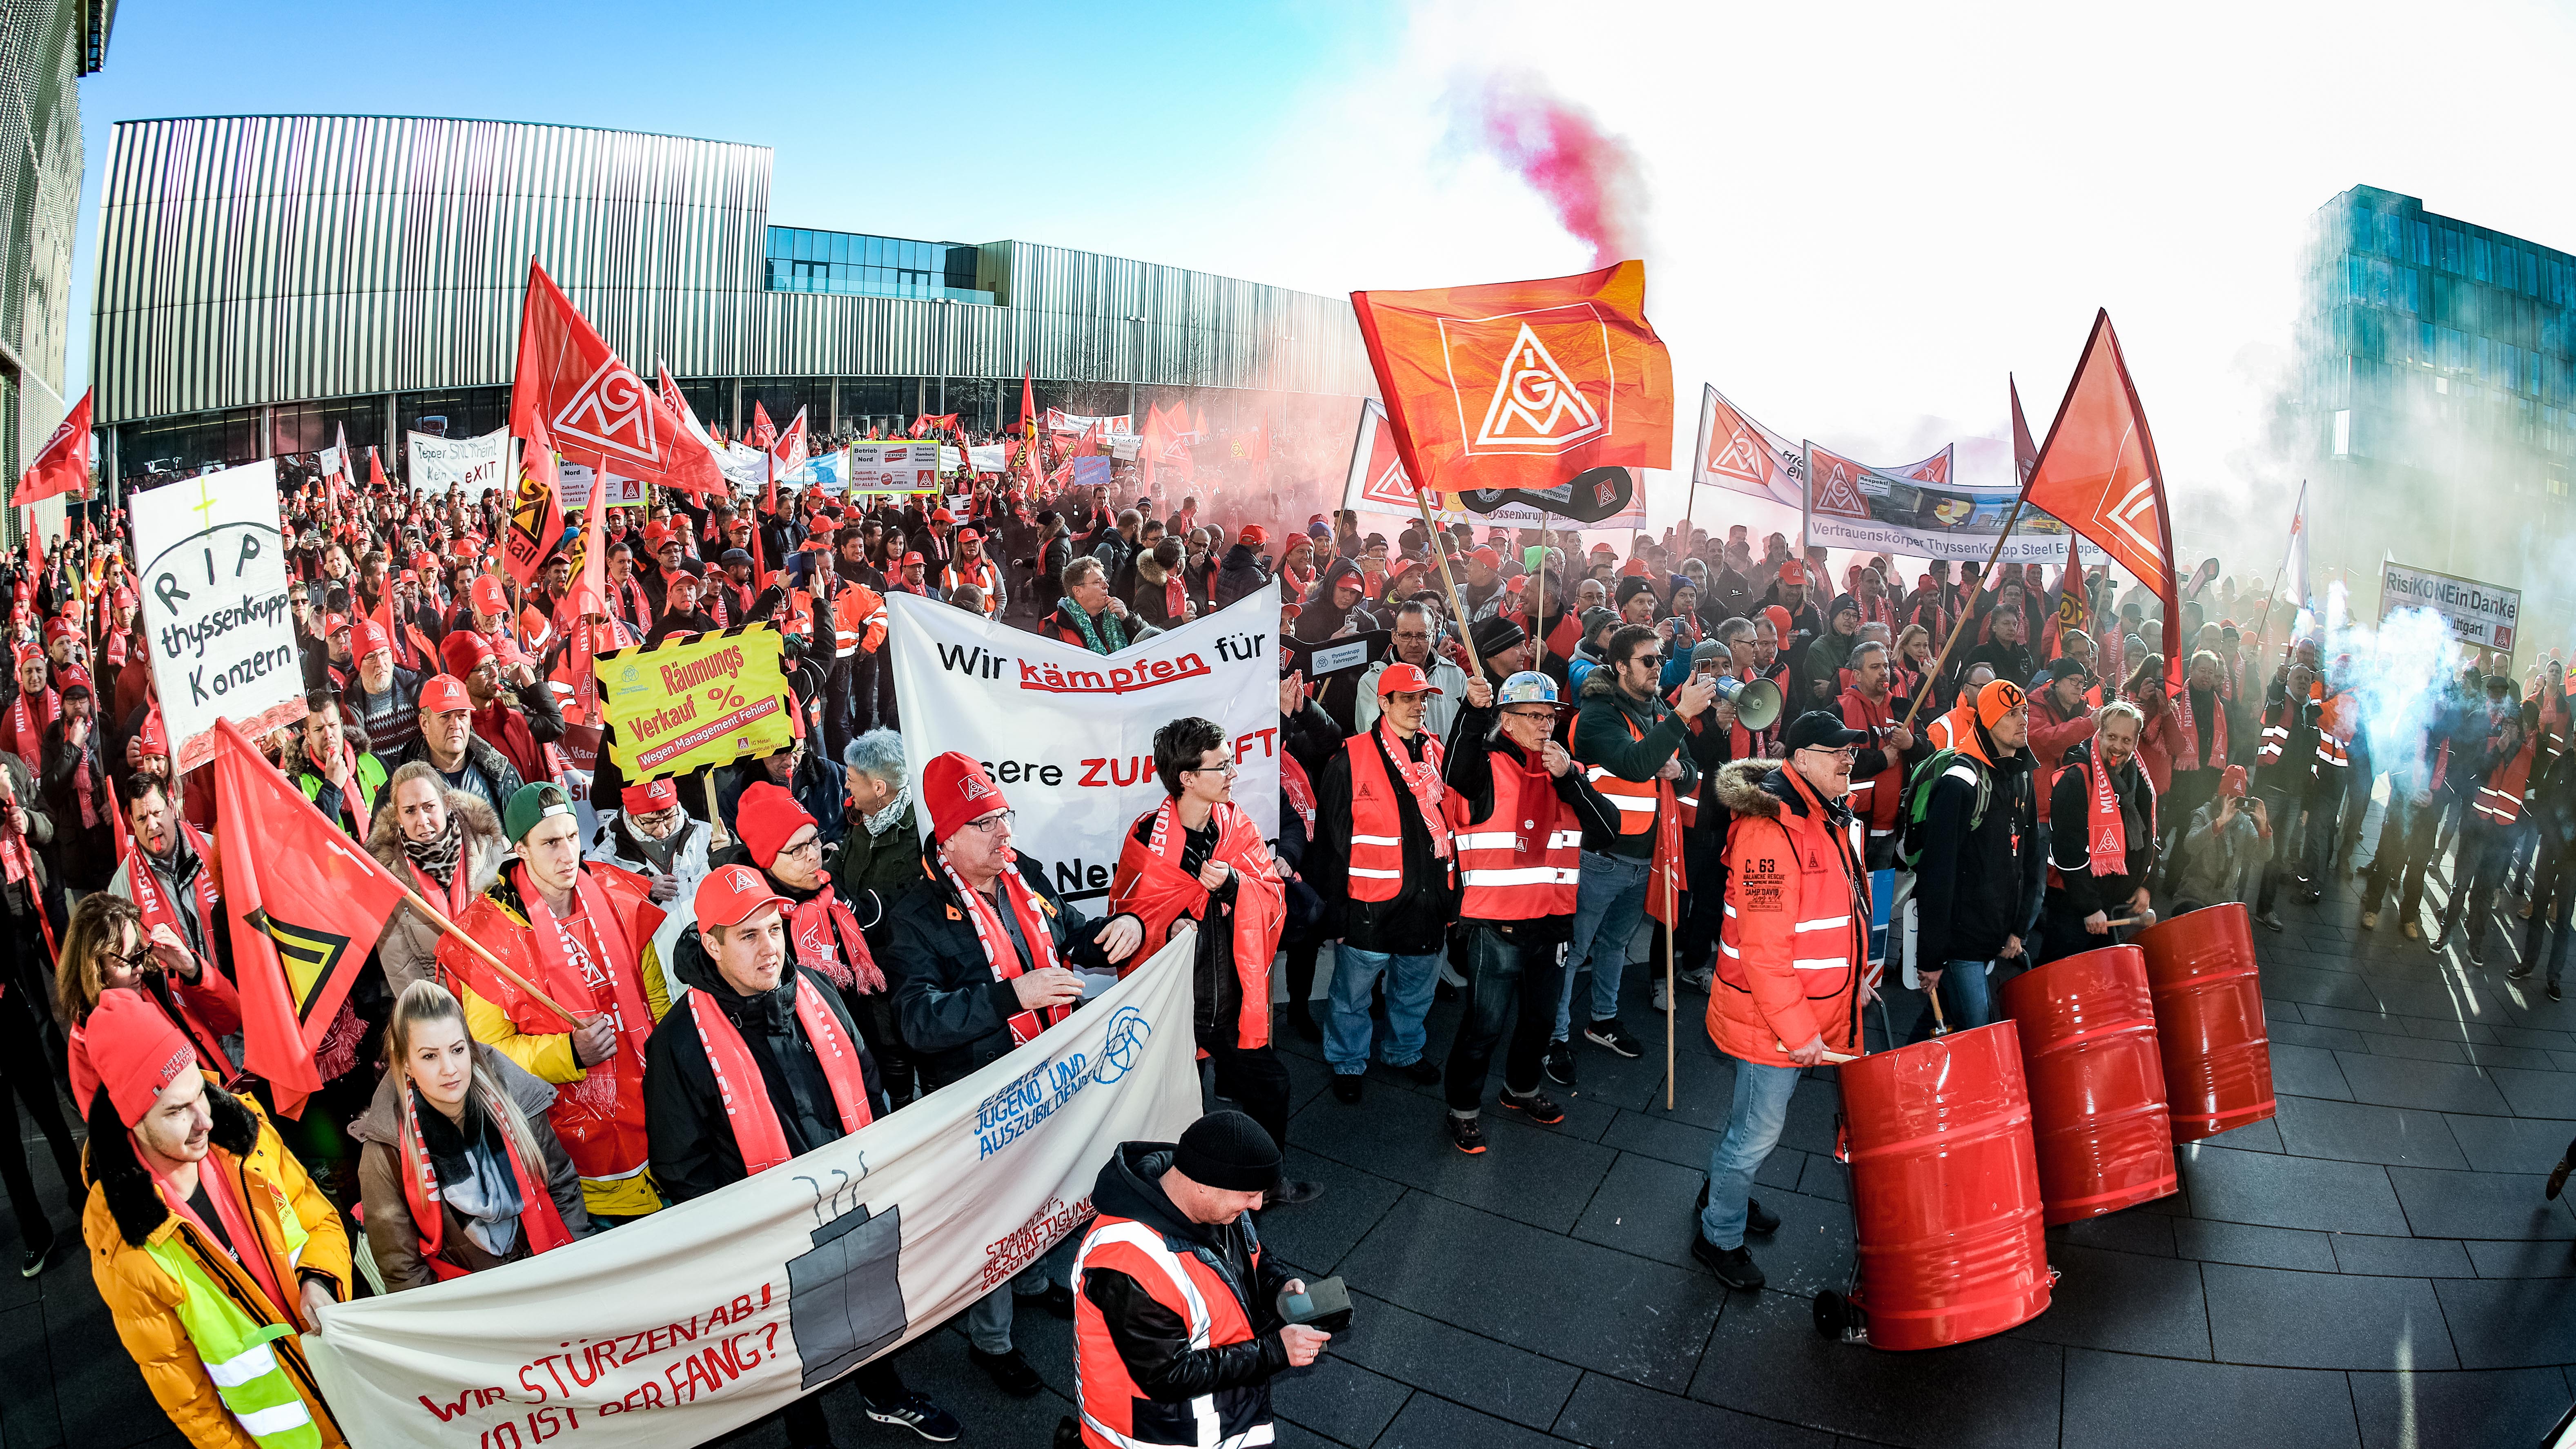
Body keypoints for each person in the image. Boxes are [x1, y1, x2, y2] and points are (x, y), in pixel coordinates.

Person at [643, 865, 960, 1443]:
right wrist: (742, 1229)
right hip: (764, 1233)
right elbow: (679, 1165)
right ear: (711, 945)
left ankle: (883, 1394)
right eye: (748, 936)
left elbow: (867, 1087)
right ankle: (808, 1435)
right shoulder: (677, 1041)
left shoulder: (818, 989)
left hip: (851, 1199)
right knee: (788, 1348)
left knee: (870, 1301)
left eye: (774, 929)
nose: (770, 948)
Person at [880, 751, 1142, 1398]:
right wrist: (1009, 996)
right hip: (983, 1098)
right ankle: (991, 1340)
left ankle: (1035, 1282)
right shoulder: (913, 914)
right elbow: (918, 1023)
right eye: (985, 825)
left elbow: (1069, 935)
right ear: (947, 836)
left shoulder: (1023, 873)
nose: (1006, 837)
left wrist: (1120, 929)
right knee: (996, 1219)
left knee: (1051, 1187)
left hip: (1052, 1074)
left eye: (1005, 818)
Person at [81, 989, 352, 1449]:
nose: (204, 1120)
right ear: (134, 1122)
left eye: (200, 1095)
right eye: (176, 1111)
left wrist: (321, 1278)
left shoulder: (249, 1133)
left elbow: (320, 1216)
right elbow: (192, 1404)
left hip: (353, 1392)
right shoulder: (125, 1248)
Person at [1696, 711, 1873, 1290]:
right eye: (1836, 752)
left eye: (1851, 751)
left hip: (1797, 1014)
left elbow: (1836, 914)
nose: (1849, 760)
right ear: (1799, 760)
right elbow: (1765, 952)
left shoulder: (1823, 813)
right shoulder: (1772, 829)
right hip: (1773, 1021)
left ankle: (1722, 1194)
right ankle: (1718, 1234)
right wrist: (1799, 1035)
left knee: (1747, 1123)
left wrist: (1853, 982)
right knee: (1756, 1134)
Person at [439, 781, 670, 1222]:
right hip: (575, 1163)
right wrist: (568, 1053)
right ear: (519, 848)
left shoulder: (616, 893)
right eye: (549, 842)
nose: (567, 854)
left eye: (571, 837)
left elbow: (656, 1001)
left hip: (662, 1131)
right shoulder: (488, 939)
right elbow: (487, 1055)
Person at [1108, 717, 1315, 1203]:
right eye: (1221, 765)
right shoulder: (1144, 840)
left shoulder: (1236, 825)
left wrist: (1233, 886)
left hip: (1231, 1004)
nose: (1232, 772)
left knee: (1272, 1088)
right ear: (1186, 778)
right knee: (1181, 1113)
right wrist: (1168, 927)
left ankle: (1265, 1185)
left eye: (1230, 762)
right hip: (1177, 1011)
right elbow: (1129, 913)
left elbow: (1270, 894)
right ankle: (1180, 1204)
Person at [1439, 671, 1620, 1153]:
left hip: (1553, 921)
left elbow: (1607, 831)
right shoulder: (1484, 764)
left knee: (1539, 1021)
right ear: (1507, 719)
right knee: (1484, 1025)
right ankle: (1463, 1108)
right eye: (1535, 716)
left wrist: (1570, 781)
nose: (1547, 725)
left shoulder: (1567, 770)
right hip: (1494, 922)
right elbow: (1454, 770)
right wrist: (1472, 711)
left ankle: (1520, 1089)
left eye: (1551, 715)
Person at [1068, 1111, 1320, 1449]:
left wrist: (1278, 1285)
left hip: (1214, 1415)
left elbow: (1251, 1256)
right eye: (1249, 1194)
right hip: (1158, 1435)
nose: (1257, 1206)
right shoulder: (1129, 1264)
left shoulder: (1212, 1203)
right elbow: (1167, 1376)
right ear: (1203, 1184)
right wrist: (1275, 1351)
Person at [1552, 625, 1717, 1083]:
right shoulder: (1595, 714)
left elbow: (1687, 773)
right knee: (1575, 949)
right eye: (1648, 660)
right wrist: (1681, 718)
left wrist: (1678, 766)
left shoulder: (1658, 709)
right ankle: (1554, 1035)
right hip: (1599, 855)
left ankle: (1602, 1019)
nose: (1658, 667)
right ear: (1620, 665)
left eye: (1661, 659)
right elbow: (1633, 763)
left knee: (1615, 945)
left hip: (1645, 854)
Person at [352, 980, 585, 1288]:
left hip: (553, 1277)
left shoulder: (517, 1098)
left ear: (470, 1048)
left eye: (457, 1050)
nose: (450, 1068)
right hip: (470, 1306)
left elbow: (563, 1188)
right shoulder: (387, 1148)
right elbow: (403, 1269)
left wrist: (583, 1271)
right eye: (430, 1056)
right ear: (406, 1064)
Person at [1307, 663, 1463, 1103]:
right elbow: (1330, 849)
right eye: (1408, 698)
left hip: (1427, 904)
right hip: (1369, 908)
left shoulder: (1436, 752)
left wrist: (1451, 900)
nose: (1418, 706)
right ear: (1383, 702)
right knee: (1350, 996)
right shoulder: (1349, 759)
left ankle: (1403, 1050)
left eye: (1423, 698)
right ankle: (1347, 1060)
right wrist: (1336, 914)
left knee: (1414, 992)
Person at [1907, 680, 2040, 1036]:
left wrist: (2018, 928)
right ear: (1989, 721)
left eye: (2024, 711)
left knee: (1944, 1021)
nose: (2023, 720)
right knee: (1978, 1029)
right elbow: (1937, 875)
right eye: (2011, 714)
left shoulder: (2022, 776)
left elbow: (2029, 858)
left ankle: (1896, 1079)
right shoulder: (1959, 783)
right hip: (1961, 941)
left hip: (1994, 933)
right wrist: (1931, 958)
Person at [368, 762, 508, 996]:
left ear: (447, 803)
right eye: (410, 811)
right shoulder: (387, 877)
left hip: (504, 998)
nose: (422, 820)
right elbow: (402, 970)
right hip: (442, 1012)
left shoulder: (492, 845)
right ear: (398, 817)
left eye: (429, 806)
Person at [2038, 700, 2160, 963]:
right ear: (2100, 733)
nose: (2118, 747)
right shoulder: (2075, 779)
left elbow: (2148, 836)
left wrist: (2145, 886)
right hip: (2076, 909)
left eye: (2127, 740)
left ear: (2136, 741)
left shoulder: (2138, 778)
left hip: (2115, 908)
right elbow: (2067, 851)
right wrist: (2090, 908)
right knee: (2061, 978)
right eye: (2113, 737)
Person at [588, 776, 713, 964]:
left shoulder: (710, 835)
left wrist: (730, 855)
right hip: (659, 972)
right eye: (650, 822)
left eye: (669, 816)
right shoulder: (604, 859)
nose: (662, 830)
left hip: (715, 963)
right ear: (631, 814)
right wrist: (639, 888)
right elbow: (592, 909)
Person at [388, 672, 525, 811]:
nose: (456, 724)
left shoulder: (502, 774)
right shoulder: (398, 790)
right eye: (446, 717)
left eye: (462, 716)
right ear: (425, 724)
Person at [2169, 765, 2271, 913]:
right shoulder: (2204, 814)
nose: (2234, 805)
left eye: (2238, 799)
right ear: (2221, 795)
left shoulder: (2244, 822)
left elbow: (2264, 856)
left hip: (2225, 902)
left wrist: (2264, 830)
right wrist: (2218, 823)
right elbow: (2190, 846)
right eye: (2230, 798)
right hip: (2193, 896)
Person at [290, 689, 383, 838]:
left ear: (341, 724)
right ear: (307, 735)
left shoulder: (374, 761)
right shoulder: (296, 784)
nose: (328, 736)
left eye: (332, 726)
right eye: (319, 729)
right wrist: (332, 788)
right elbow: (311, 838)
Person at [1047, 556, 1160, 654]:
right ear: (1078, 591)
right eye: (1097, 582)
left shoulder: (1118, 614)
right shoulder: (1056, 626)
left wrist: (1128, 618)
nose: (1106, 586)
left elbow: (1152, 639)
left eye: (1105, 580)